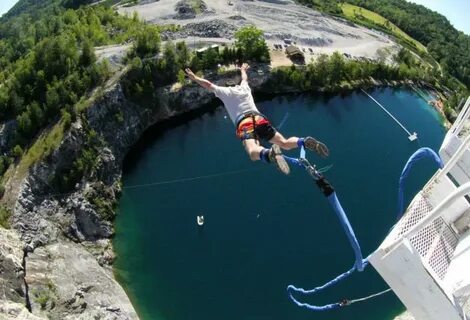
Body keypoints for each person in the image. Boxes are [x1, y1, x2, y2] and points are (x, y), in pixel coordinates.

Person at [184, 63, 329, 175]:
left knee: (253, 153)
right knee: (284, 143)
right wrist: (243, 70)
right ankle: (303, 141)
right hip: (260, 120)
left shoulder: (225, 92)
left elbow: (208, 84)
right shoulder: (244, 88)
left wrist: (194, 78)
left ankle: (269, 154)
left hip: (245, 123)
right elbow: (244, 79)